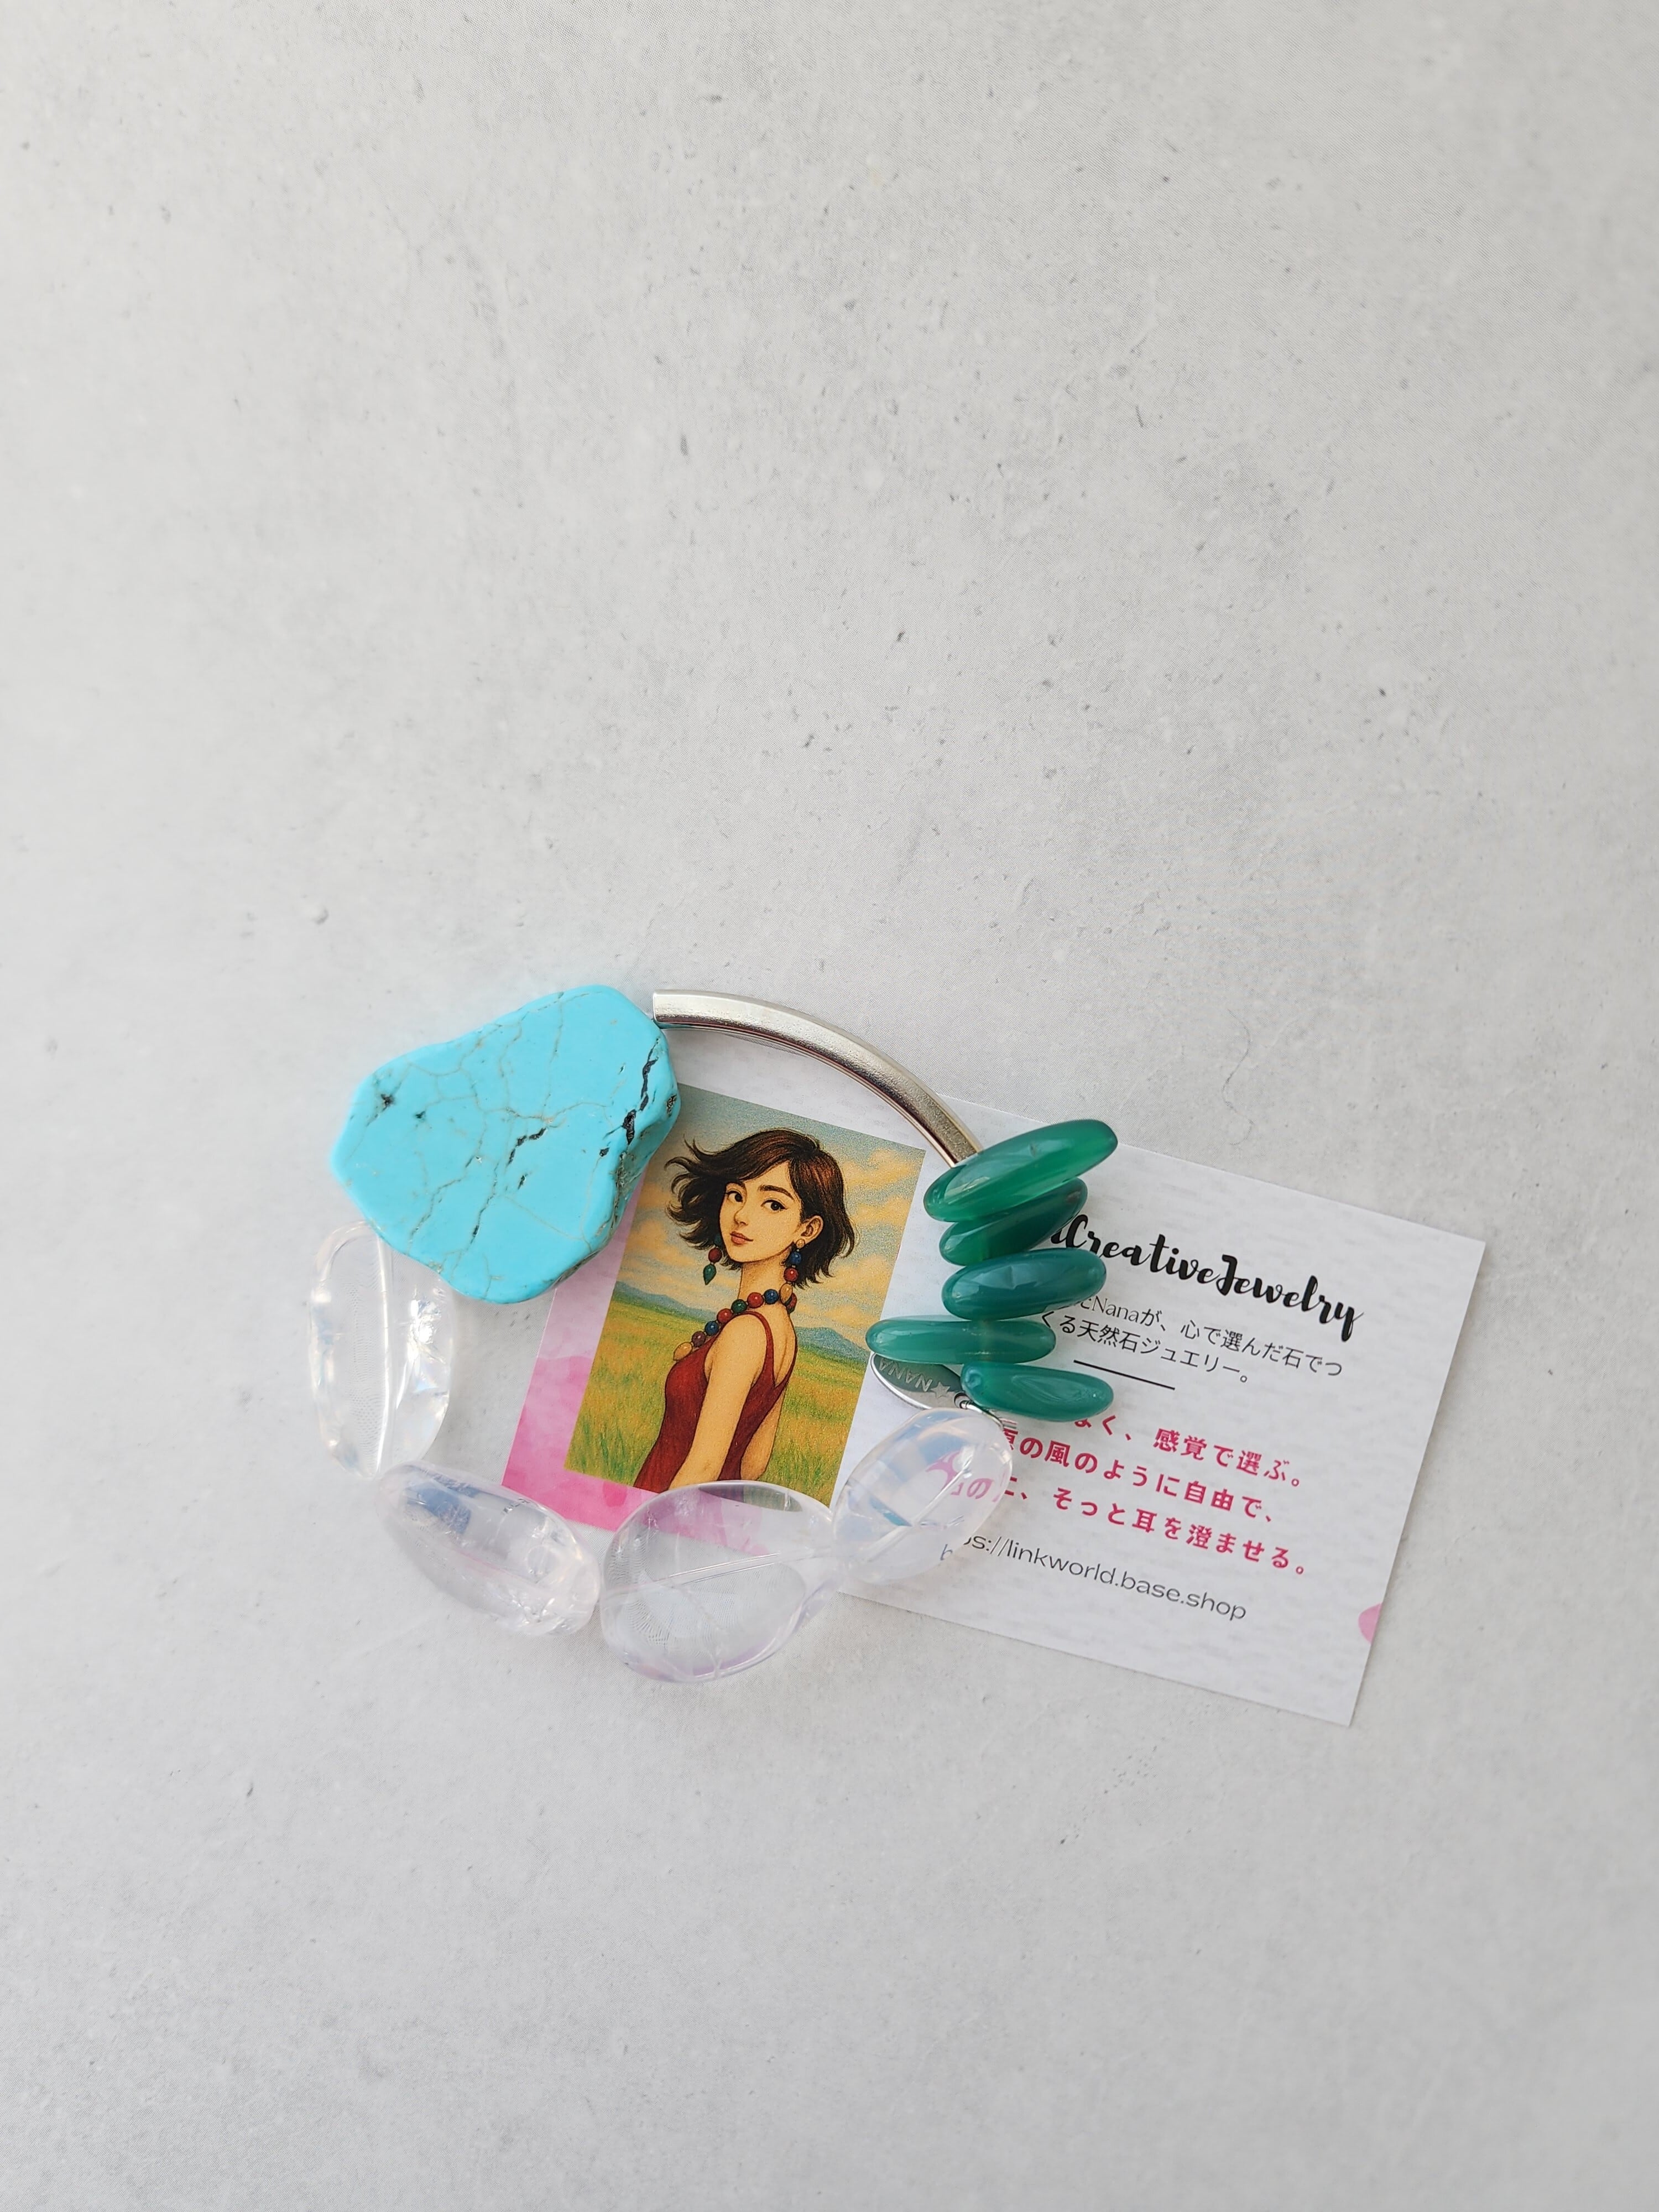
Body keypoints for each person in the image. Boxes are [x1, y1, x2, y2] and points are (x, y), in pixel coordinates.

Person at [633, 1128, 854, 1491]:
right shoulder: (780, 1327)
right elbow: (753, 1463)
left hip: (665, 1501)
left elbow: (705, 1466)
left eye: (773, 1204)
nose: (742, 1215)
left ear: (807, 1230)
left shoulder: (746, 1332)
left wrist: (650, 1517)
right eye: (736, 1195)